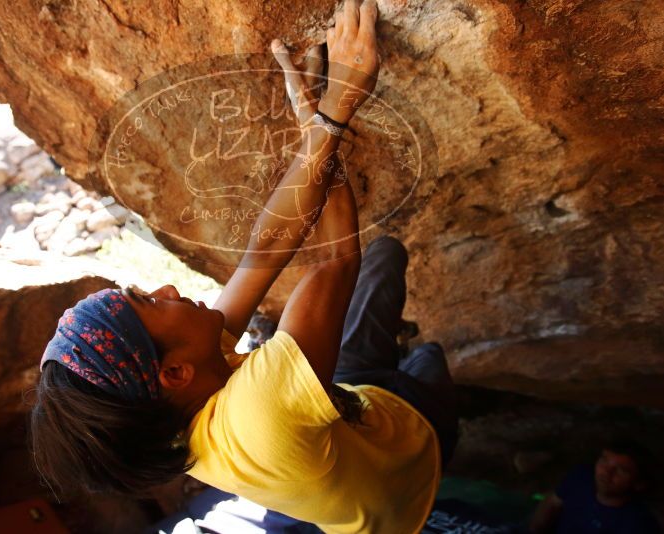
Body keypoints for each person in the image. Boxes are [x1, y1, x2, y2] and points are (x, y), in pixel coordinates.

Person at [29, 1, 457, 532]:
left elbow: (264, 255)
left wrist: (319, 128)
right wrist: (339, 103)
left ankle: (366, 366)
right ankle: (412, 368)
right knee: (430, 362)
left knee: (387, 258)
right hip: (416, 455)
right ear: (173, 373)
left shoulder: (186, 390)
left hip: (347, 399)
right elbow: (335, 256)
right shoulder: (259, 415)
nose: (166, 288)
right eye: (150, 303)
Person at [530, 440, 661, 533]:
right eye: (604, 461)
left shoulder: (638, 524)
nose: (606, 472)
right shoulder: (582, 477)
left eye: (621, 470)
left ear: (639, 484)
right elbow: (552, 503)